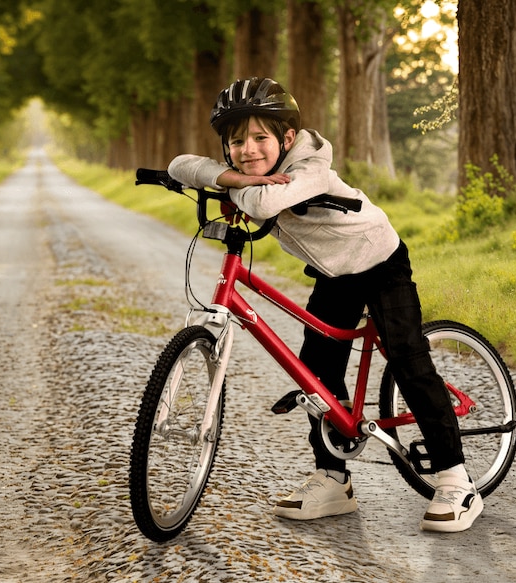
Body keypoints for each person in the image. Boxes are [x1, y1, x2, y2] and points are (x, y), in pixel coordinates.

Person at [167, 77, 482, 533]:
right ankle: (334, 480)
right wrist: (233, 176)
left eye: (261, 138)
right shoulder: (250, 168)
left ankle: (456, 480)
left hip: (379, 262)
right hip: (335, 273)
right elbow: (180, 164)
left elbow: (266, 199)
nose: (249, 150)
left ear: (287, 139)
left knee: (408, 360)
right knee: (315, 371)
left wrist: (231, 186)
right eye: (237, 142)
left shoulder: (311, 164)